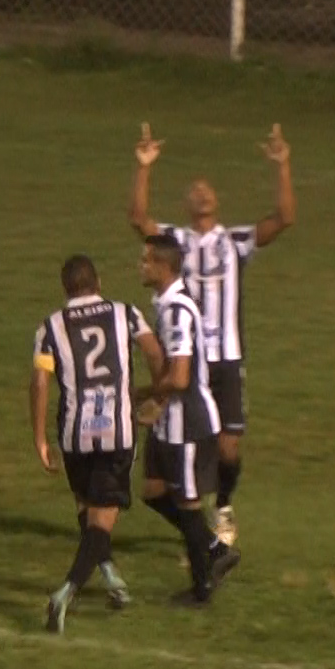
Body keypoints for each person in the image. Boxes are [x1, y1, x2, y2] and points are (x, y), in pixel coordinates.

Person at [129, 122, 295, 548]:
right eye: (194, 190)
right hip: (186, 359)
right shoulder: (176, 241)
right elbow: (139, 220)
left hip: (227, 359)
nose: (201, 193)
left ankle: (222, 506)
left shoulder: (235, 241)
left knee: (227, 448)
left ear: (217, 202)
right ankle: (199, 529)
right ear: (186, 205)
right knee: (184, 447)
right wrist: (144, 166)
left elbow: (284, 219)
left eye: (207, 189)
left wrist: (282, 164)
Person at [30, 254, 163, 634]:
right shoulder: (126, 314)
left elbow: (40, 382)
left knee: (88, 507)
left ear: (65, 288)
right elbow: (154, 352)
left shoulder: (50, 327)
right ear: (98, 282)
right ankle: (65, 592)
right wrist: (160, 397)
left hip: (74, 434)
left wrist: (39, 438)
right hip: (115, 432)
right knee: (101, 521)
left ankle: (110, 576)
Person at [136, 235, 239, 606]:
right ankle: (213, 547)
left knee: (187, 504)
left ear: (163, 266)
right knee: (153, 491)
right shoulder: (166, 303)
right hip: (170, 420)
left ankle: (201, 589)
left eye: (146, 260)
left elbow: (180, 378)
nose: (140, 266)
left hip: (188, 424)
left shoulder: (177, 311)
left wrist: (144, 394)